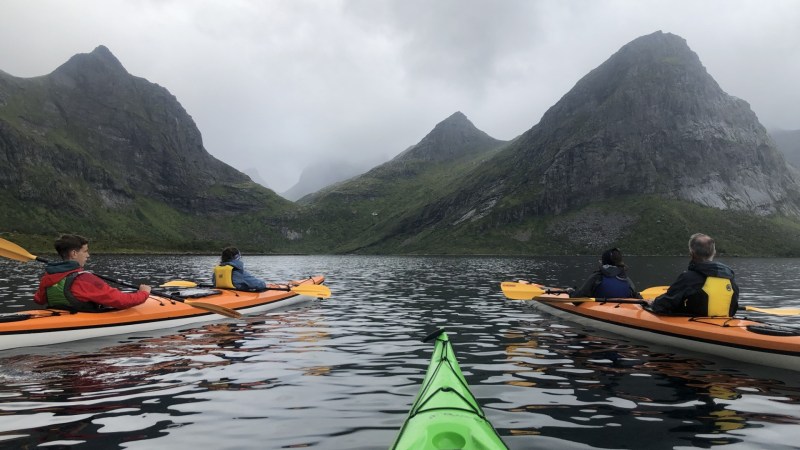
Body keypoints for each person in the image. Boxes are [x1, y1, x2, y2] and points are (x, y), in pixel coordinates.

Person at [33, 234, 152, 311]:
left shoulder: (47, 278)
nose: (88, 255)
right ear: (74, 254)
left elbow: (39, 300)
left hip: (61, 317)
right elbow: (121, 301)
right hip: (80, 321)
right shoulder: (85, 279)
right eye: (85, 251)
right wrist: (144, 293)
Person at [650, 233, 739, 316]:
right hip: (724, 324)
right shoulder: (730, 278)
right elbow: (733, 308)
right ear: (714, 253)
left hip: (696, 325)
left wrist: (653, 303)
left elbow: (664, 305)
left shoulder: (688, 278)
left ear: (691, 253)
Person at [570, 247, 641, 299]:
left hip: (600, 308)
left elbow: (577, 298)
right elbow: (633, 293)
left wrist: (571, 292)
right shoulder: (625, 277)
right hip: (623, 309)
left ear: (604, 261)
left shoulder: (597, 276)